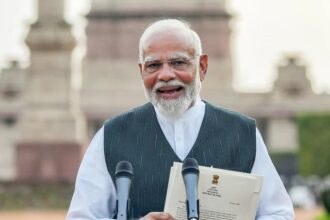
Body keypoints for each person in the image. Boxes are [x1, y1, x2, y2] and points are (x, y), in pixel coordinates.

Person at [67, 19, 294, 220]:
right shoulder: (111, 136)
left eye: (178, 62)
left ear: (202, 67)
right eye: (154, 65)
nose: (165, 75)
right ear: (141, 71)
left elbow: (279, 213)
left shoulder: (242, 133)